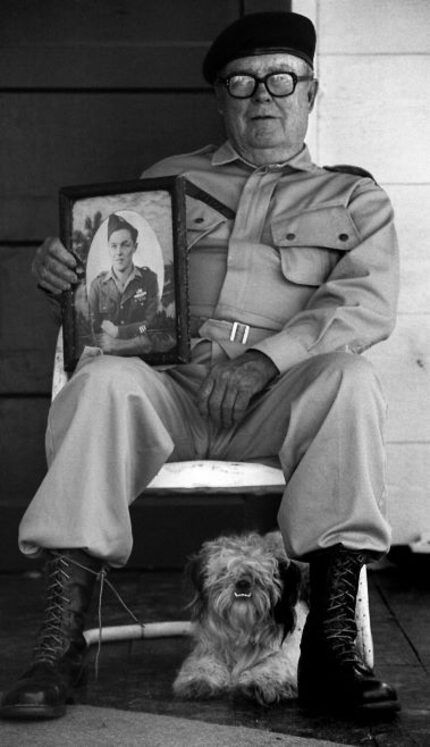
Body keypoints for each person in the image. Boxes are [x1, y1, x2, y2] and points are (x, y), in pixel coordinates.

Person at [0, 11, 401, 721]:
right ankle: (60, 643)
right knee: (100, 381)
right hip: (173, 392)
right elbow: (111, 286)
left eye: (282, 79)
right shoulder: (163, 181)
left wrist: (262, 361)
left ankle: (331, 650)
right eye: (241, 82)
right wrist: (67, 270)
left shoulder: (351, 197)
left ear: (311, 93)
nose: (262, 95)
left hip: (280, 396)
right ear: (221, 100)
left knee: (352, 378)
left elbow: (363, 306)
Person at [88, 213, 160, 356]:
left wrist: (119, 333)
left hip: (144, 358)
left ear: (135, 247)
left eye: (125, 245)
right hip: (105, 359)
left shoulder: (149, 280)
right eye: (113, 246)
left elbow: (152, 324)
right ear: (108, 248)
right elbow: (89, 329)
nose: (118, 252)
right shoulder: (97, 285)